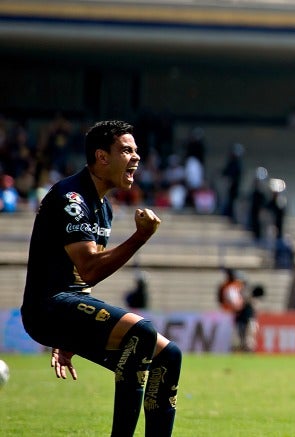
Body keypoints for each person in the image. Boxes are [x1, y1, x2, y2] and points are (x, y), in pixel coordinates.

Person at [20, 120, 182, 437]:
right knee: (142, 333)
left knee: (168, 355)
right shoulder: (72, 198)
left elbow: (84, 278)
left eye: (136, 151)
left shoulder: (103, 206)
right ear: (102, 157)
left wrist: (74, 331)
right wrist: (140, 237)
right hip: (48, 308)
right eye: (126, 150)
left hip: (71, 307)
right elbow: (91, 267)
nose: (136, 157)